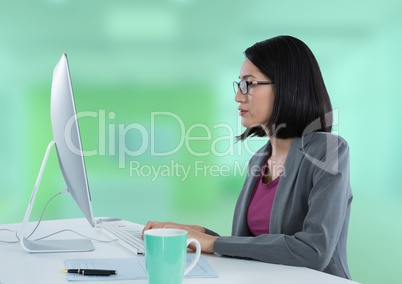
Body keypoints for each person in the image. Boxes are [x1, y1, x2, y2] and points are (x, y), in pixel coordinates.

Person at [143, 35, 353, 280]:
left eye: (249, 84)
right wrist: (194, 233)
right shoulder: (258, 160)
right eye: (239, 84)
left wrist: (213, 242)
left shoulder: (328, 150)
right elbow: (249, 245)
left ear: (287, 85)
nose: (238, 96)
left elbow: (313, 251)